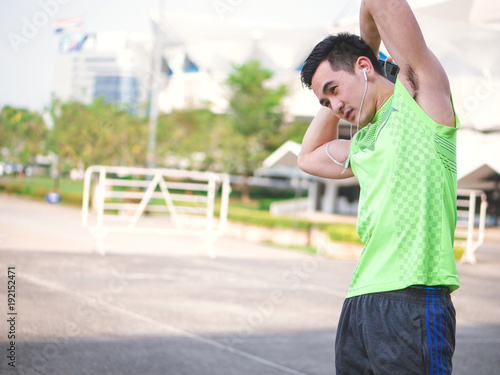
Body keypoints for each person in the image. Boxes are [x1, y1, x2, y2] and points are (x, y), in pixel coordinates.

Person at [298, 0, 459, 374]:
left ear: (365, 67)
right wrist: (337, 95)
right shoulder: (362, 143)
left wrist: (362, 52)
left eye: (335, 89)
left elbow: (380, 3)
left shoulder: (420, 101)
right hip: (359, 301)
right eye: (326, 100)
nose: (335, 106)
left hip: (413, 296)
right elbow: (308, 156)